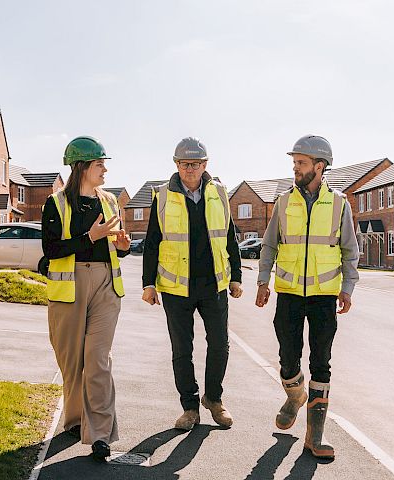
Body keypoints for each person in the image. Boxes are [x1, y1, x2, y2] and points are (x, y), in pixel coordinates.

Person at [255, 135, 359, 459]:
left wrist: (348, 288)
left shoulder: (340, 204)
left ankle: (315, 437)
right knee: (288, 358)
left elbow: (350, 250)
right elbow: (270, 244)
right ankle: (294, 394)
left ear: (319, 166)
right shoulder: (284, 203)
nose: (295, 168)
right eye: (294, 163)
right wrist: (262, 280)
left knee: (321, 364)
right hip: (288, 293)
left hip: (324, 297)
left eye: (300, 163)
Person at [142, 137, 243, 431]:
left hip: (213, 285)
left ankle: (213, 398)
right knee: (182, 349)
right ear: (176, 165)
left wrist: (236, 277)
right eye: (185, 164)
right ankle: (189, 407)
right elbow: (151, 243)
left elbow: (229, 237)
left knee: (220, 346)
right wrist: (149, 284)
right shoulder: (162, 196)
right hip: (176, 288)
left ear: (205, 165)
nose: (190, 169)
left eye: (196, 164)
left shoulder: (220, 193)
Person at [41, 135, 130, 463]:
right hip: (69, 290)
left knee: (97, 358)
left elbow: (119, 245)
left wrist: (122, 244)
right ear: (81, 168)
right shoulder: (56, 204)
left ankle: (100, 436)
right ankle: (77, 419)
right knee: (72, 362)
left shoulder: (110, 200)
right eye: (99, 164)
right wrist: (88, 237)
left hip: (106, 285)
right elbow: (51, 251)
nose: (104, 169)